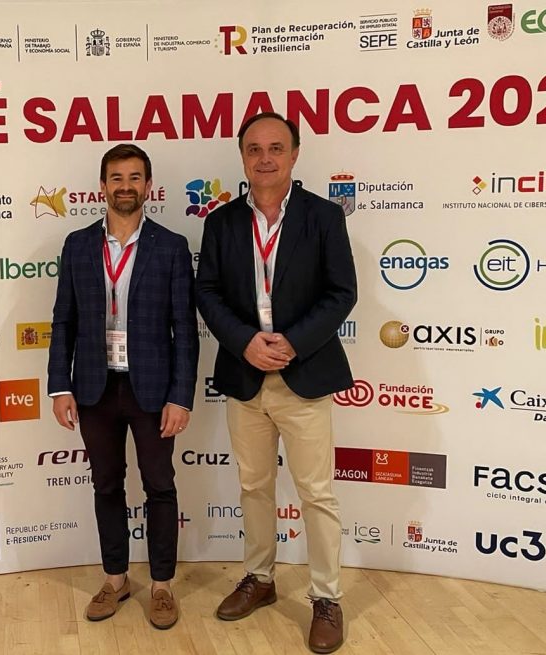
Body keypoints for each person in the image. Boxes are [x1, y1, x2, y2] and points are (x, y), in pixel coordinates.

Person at [195, 112, 357, 654]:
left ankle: (326, 597)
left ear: (294, 154)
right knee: (254, 487)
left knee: (316, 493)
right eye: (254, 149)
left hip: (303, 375)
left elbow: (341, 292)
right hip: (245, 376)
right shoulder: (220, 223)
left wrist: (293, 342)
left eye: (276, 148)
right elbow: (207, 292)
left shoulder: (323, 216)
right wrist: (245, 341)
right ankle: (260, 579)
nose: (265, 158)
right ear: (242, 156)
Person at [48, 144, 198, 630]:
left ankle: (161, 585)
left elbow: (184, 327)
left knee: (159, 486)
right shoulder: (77, 245)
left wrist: (180, 395)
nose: (126, 186)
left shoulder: (171, 246)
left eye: (135, 177)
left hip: (152, 390)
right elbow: (64, 320)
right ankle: (115, 579)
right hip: (94, 388)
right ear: (103, 187)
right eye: (117, 178)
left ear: (148, 186)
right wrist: (59, 385)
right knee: (106, 484)